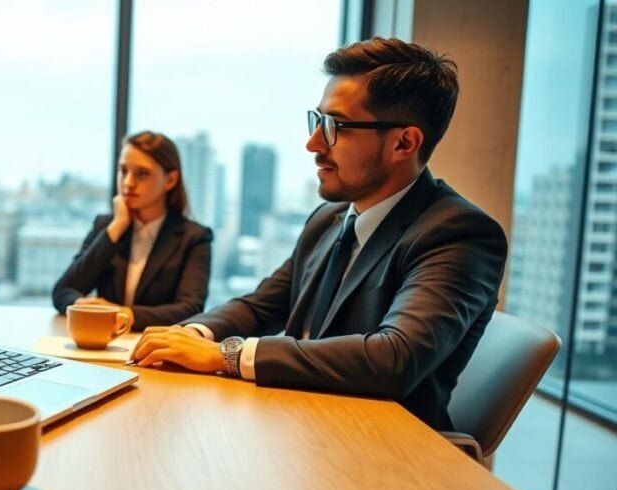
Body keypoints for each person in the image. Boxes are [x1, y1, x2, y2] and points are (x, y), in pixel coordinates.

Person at [131, 37, 508, 431]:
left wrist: (227, 355)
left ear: (403, 142)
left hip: (381, 449)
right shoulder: (328, 220)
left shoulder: (459, 234)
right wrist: (188, 336)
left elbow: (395, 358)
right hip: (298, 423)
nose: (313, 144)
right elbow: (261, 306)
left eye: (335, 127)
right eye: (317, 121)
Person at [52, 131, 214, 331]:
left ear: (170, 180)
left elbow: (190, 308)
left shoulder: (194, 237)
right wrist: (82, 305)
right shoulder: (107, 226)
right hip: (104, 345)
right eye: (123, 171)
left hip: (156, 349)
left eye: (142, 173)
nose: (127, 183)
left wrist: (123, 314)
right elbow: (63, 291)